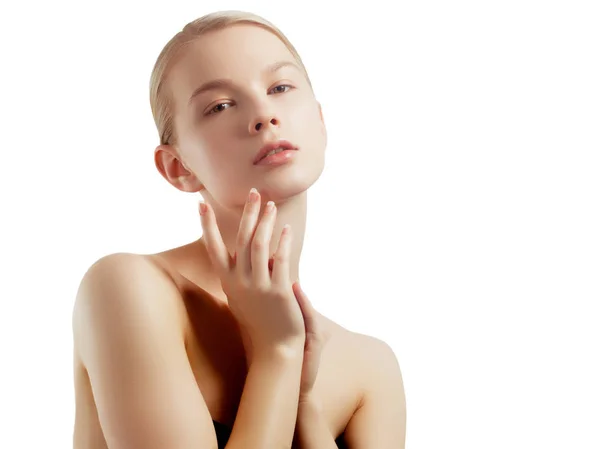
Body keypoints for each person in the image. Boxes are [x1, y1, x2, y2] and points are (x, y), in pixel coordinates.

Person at [71, 9, 406, 449]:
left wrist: (302, 401)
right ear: (178, 168)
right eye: (221, 106)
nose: (264, 114)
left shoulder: (371, 368)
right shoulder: (130, 290)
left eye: (280, 87)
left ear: (321, 124)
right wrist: (276, 355)